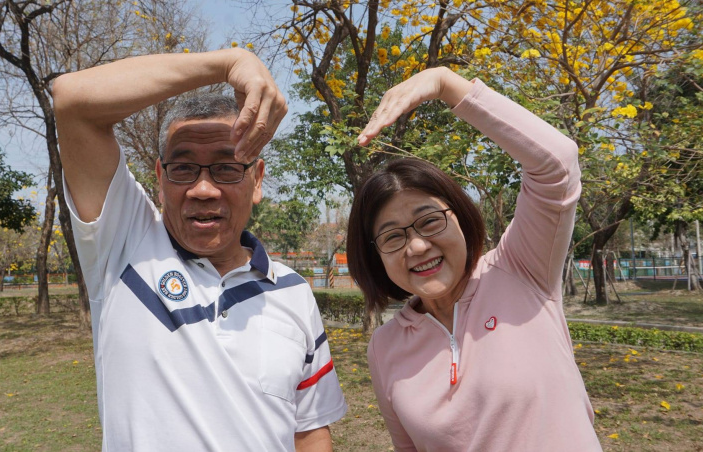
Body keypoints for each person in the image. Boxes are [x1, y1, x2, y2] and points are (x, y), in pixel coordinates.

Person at [54, 49, 347, 451]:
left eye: (227, 168)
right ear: (160, 178)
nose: (203, 190)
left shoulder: (294, 292)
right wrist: (229, 63)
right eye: (183, 167)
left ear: (257, 180)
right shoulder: (124, 243)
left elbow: (309, 431)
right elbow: (72, 99)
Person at [346, 67, 602, 451]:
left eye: (429, 221)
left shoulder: (520, 270)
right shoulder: (385, 347)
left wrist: (445, 84)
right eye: (392, 236)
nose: (416, 247)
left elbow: (558, 166)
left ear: (461, 218)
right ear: (375, 255)